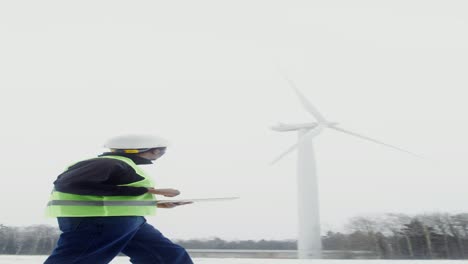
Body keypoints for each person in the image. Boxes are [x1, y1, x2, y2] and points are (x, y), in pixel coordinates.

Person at [44, 134, 194, 264]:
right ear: (153, 150)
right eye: (162, 150)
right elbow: (70, 184)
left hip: (125, 221)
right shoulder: (107, 163)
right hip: (98, 221)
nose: (161, 153)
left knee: (167, 257)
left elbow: (109, 194)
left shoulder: (120, 164)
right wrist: (146, 190)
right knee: (76, 260)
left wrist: (156, 203)